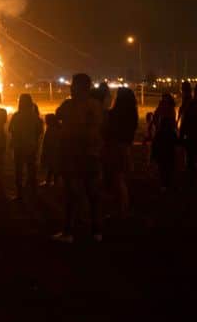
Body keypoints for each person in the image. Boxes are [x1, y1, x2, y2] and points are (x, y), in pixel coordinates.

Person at [53, 73, 104, 243]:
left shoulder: (70, 105)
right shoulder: (96, 105)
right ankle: (96, 231)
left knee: (71, 194)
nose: (70, 87)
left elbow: (57, 115)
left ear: (78, 87)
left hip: (74, 156)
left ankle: (69, 232)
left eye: (73, 85)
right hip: (92, 155)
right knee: (92, 194)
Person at [103, 87, 138, 218]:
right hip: (126, 147)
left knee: (116, 179)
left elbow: (107, 130)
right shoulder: (132, 113)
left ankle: (120, 209)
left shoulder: (113, 114)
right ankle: (122, 207)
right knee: (121, 178)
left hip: (115, 147)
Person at [9, 94, 43, 200]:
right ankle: (33, 192)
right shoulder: (34, 117)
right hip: (31, 146)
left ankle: (20, 194)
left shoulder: (16, 116)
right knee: (31, 169)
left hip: (19, 147)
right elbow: (39, 131)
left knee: (18, 170)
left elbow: (11, 129)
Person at [152, 101, 178, 191]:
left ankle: (164, 184)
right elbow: (176, 142)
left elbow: (155, 144)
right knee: (168, 169)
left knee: (163, 169)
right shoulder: (171, 133)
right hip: (169, 154)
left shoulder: (159, 133)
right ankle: (168, 183)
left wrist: (153, 155)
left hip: (162, 154)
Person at [40, 114, 61, 187]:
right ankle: (52, 181)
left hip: (52, 150)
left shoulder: (51, 129)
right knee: (53, 166)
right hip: (56, 150)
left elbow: (47, 141)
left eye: (46, 120)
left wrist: (45, 151)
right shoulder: (57, 128)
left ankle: (51, 181)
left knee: (52, 166)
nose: (45, 121)